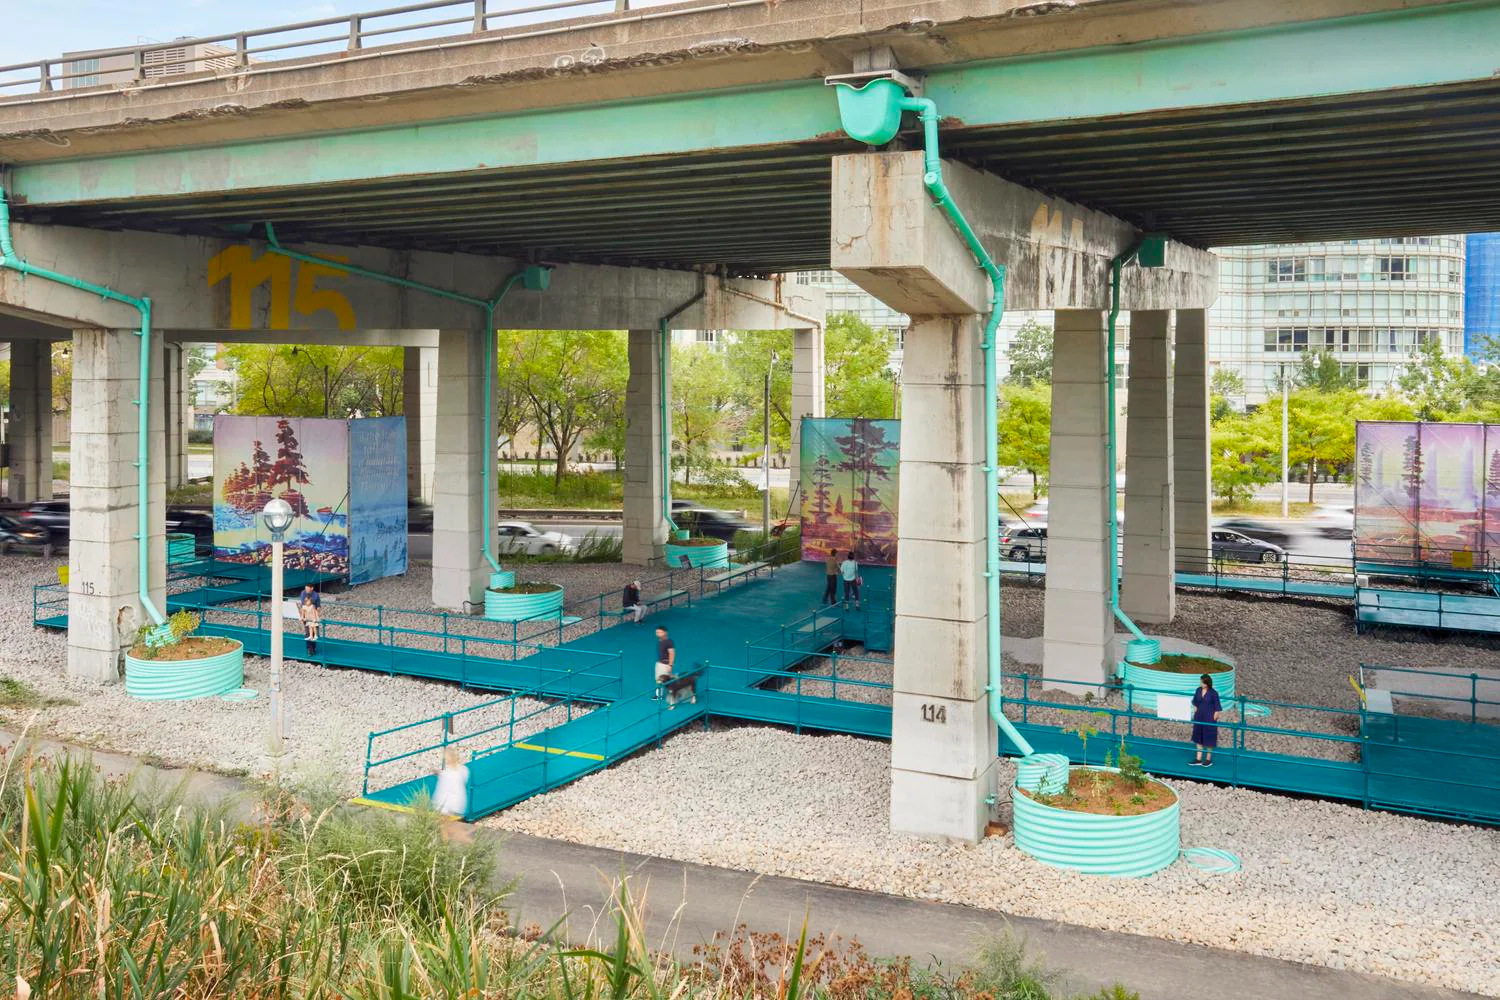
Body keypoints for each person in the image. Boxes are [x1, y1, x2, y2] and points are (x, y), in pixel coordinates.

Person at [431, 747, 472, 844]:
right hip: (457, 803)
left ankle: (469, 844)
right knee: (445, 827)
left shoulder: (449, 773)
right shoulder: (463, 770)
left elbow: (446, 787)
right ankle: (446, 845)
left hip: (448, 804)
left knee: (447, 828)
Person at [1190, 673, 1222, 767]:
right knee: (1198, 736)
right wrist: (1194, 713)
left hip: (1209, 717)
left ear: (1207, 683)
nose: (1200, 683)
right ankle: (1198, 759)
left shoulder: (1213, 693)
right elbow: (1195, 702)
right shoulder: (1198, 690)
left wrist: (1214, 718)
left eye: (1202, 682)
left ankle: (1208, 759)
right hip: (1199, 716)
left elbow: (1217, 708)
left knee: (1209, 737)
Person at [298, 585, 321, 657]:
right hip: (307, 616)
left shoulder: (315, 595)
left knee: (314, 632)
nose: (306, 590)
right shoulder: (303, 593)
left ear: (312, 588)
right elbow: (302, 606)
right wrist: (302, 617)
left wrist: (317, 616)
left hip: (313, 616)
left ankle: (313, 648)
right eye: (306, 588)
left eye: (308, 588)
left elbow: (318, 605)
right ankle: (309, 649)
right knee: (307, 632)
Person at [652, 625, 675, 699]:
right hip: (659, 663)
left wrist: (670, 665)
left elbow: (672, 653)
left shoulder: (668, 642)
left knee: (663, 679)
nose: (657, 634)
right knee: (659, 679)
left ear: (665, 633)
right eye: (656, 632)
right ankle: (659, 694)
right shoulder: (660, 641)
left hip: (664, 664)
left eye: (659, 632)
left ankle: (660, 695)